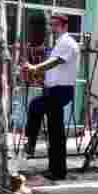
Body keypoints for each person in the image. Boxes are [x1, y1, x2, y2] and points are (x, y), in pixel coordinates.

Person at [20, 13, 80, 181]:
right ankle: (57, 171)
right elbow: (54, 70)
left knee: (35, 106)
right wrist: (38, 76)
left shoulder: (67, 43)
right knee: (56, 134)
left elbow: (55, 63)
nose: (52, 28)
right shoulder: (58, 44)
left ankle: (30, 142)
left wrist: (34, 68)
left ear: (64, 26)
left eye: (55, 25)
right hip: (53, 90)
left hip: (60, 91)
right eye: (51, 25)